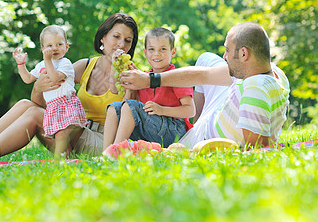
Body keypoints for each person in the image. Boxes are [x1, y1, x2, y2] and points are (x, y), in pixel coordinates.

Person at [0, 13, 138, 168]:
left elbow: (129, 114)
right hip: (70, 132)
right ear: (103, 38)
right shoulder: (84, 66)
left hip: (101, 142)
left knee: (35, 114)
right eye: (116, 37)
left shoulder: (130, 73)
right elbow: (39, 101)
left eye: (128, 41)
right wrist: (38, 85)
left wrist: (122, 77)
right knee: (25, 105)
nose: (122, 44)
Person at [119, 22, 290, 149]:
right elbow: (203, 75)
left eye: (228, 51)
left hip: (204, 137)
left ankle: (191, 131)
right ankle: (194, 123)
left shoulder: (255, 90)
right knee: (205, 58)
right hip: (219, 109)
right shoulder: (272, 71)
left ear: (244, 54)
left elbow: (257, 151)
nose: (224, 56)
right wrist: (150, 80)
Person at [103, 28, 195, 150]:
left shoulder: (177, 77)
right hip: (151, 129)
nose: (156, 54)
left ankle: (116, 152)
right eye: (152, 49)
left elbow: (190, 111)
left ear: (173, 52)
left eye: (163, 49)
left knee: (132, 106)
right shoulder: (143, 77)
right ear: (145, 52)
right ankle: (105, 154)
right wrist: (131, 86)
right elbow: (127, 106)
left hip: (174, 130)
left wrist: (161, 110)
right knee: (114, 108)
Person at [12, 25, 88, 159]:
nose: (54, 48)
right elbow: (28, 79)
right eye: (49, 45)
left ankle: (57, 162)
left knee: (62, 134)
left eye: (59, 44)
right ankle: (68, 159)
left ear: (66, 47)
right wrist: (21, 65)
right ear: (42, 49)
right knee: (58, 136)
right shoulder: (41, 65)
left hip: (67, 105)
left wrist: (47, 60)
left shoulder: (65, 63)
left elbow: (54, 78)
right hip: (53, 107)